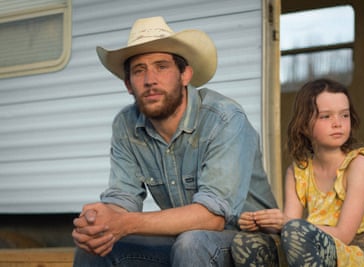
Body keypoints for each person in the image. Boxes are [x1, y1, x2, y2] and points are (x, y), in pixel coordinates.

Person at [72, 16, 278, 267]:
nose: (150, 80)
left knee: (191, 243)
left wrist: (125, 223)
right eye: (139, 70)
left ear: (185, 74)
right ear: (128, 84)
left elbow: (213, 218)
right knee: (96, 249)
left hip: (250, 243)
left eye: (161, 66)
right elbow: (123, 200)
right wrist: (97, 222)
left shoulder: (224, 118)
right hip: (186, 240)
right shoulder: (125, 125)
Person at [232, 78, 364, 266]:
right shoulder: (298, 171)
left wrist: (286, 224)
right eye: (326, 116)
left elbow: (344, 235)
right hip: (312, 248)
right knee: (245, 243)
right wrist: (263, 222)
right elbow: (290, 227)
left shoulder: (359, 165)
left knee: (295, 230)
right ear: (304, 126)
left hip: (356, 255)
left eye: (344, 115)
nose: (337, 123)